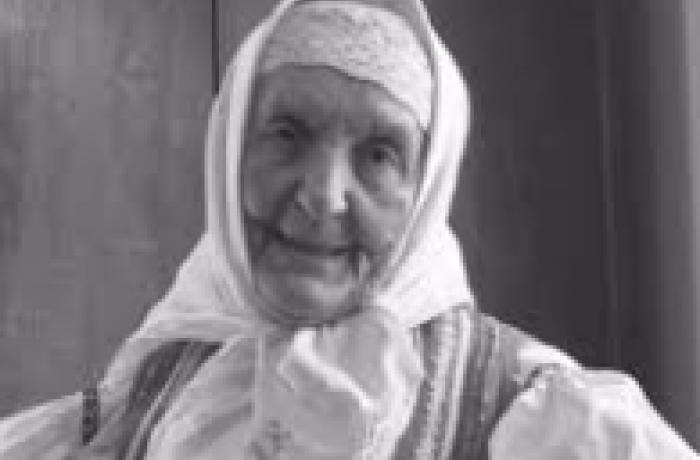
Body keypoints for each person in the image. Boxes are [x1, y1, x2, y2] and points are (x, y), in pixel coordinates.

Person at [0, 0, 697, 458]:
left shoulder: (531, 417)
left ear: (426, 193)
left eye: (379, 155)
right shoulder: (151, 391)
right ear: (228, 154)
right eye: (286, 133)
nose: (324, 197)